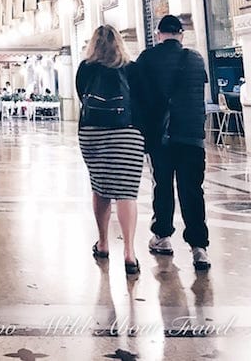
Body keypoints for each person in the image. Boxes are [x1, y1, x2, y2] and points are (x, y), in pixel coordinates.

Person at [135, 14, 211, 271]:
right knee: (193, 190)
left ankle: (163, 236)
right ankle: (199, 248)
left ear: (158, 34)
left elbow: (139, 97)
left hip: (161, 137)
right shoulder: (195, 59)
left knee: (162, 186)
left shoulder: (147, 59)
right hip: (192, 136)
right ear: (181, 34)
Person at [76, 25, 145, 276]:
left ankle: (103, 243)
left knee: (100, 187)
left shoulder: (85, 68)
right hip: (126, 132)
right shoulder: (132, 68)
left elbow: (82, 98)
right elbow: (142, 101)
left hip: (92, 132)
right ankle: (129, 252)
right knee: (127, 192)